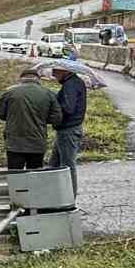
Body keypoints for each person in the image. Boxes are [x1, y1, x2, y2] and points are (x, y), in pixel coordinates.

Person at [0, 67, 62, 170]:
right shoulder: (48, 94)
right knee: (35, 175)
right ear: (38, 79)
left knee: (15, 175)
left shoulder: (9, 92)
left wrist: (13, 117)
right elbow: (57, 118)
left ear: (21, 79)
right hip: (37, 142)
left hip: (14, 142)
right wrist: (41, 119)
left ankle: (17, 187)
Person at [47, 63, 87, 196]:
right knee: (54, 164)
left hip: (68, 130)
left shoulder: (71, 85)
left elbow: (68, 108)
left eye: (55, 72)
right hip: (66, 130)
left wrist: (54, 104)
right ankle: (54, 196)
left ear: (63, 71)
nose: (53, 75)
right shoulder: (73, 83)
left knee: (67, 166)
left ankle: (69, 198)